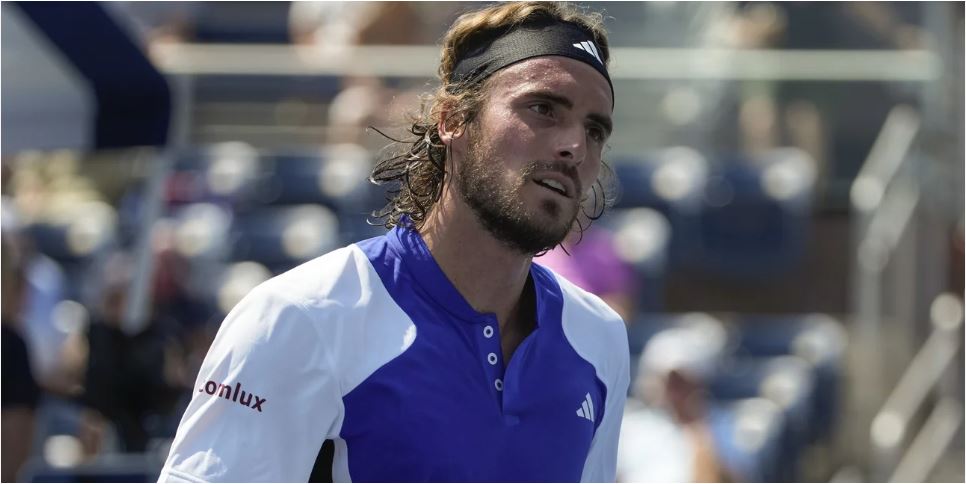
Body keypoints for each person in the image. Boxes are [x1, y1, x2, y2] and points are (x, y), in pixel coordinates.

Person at [159, 2, 629, 482]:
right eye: (543, 109)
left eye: (595, 130)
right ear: (452, 119)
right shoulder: (299, 316)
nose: (575, 146)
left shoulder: (601, 338)